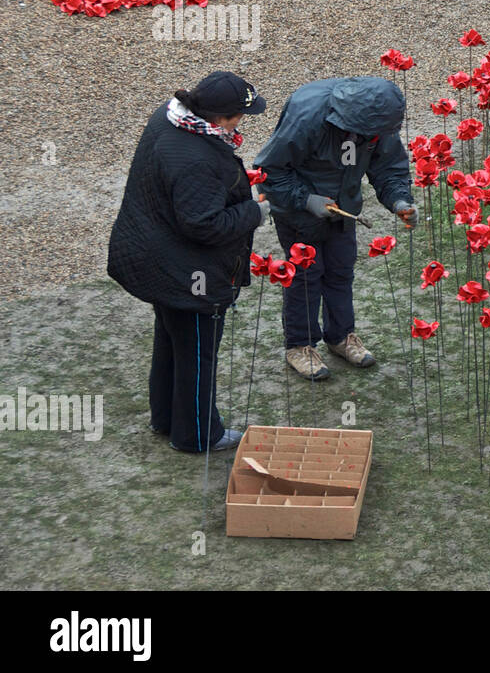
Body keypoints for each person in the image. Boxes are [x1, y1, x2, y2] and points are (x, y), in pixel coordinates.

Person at [108, 71, 269, 453]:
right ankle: (197, 435)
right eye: (239, 115)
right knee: (197, 351)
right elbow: (204, 225)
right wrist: (255, 210)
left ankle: (165, 418)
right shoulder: (198, 157)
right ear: (220, 118)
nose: (242, 122)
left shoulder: (166, 118)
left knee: (170, 340)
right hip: (187, 273)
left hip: (154, 258)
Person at [254, 77, 416, 381]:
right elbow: (268, 171)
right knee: (305, 277)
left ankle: (340, 336)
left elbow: (389, 166)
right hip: (299, 211)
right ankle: (299, 345)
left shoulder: (378, 122)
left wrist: (399, 199)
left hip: (343, 208)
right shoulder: (308, 116)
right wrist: (306, 200)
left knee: (341, 271)